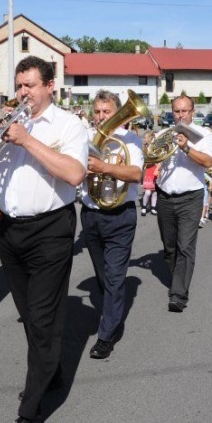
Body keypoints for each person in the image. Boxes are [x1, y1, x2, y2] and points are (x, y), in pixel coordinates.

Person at [0, 56, 87, 423]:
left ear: (50, 85)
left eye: (30, 86)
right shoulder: (7, 128)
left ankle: (29, 415)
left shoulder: (70, 125)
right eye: (19, 86)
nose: (22, 94)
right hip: (11, 232)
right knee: (32, 318)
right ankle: (51, 371)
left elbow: (74, 174)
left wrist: (27, 140)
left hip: (51, 229)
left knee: (45, 319)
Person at [80, 90, 143, 360]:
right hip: (91, 214)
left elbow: (136, 173)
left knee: (115, 278)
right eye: (97, 111)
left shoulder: (131, 140)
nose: (101, 116)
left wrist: (104, 167)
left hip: (120, 216)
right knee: (103, 277)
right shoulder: (83, 138)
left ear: (117, 113)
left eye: (107, 111)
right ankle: (112, 314)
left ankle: (107, 335)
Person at [154, 95, 212, 313]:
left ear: (192, 111)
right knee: (169, 248)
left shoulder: (204, 135)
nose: (180, 115)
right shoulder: (164, 134)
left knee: (185, 246)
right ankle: (177, 279)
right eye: (177, 111)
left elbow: (208, 162)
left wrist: (186, 147)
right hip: (165, 197)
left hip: (191, 197)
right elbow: (153, 159)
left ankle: (178, 294)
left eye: (184, 111)